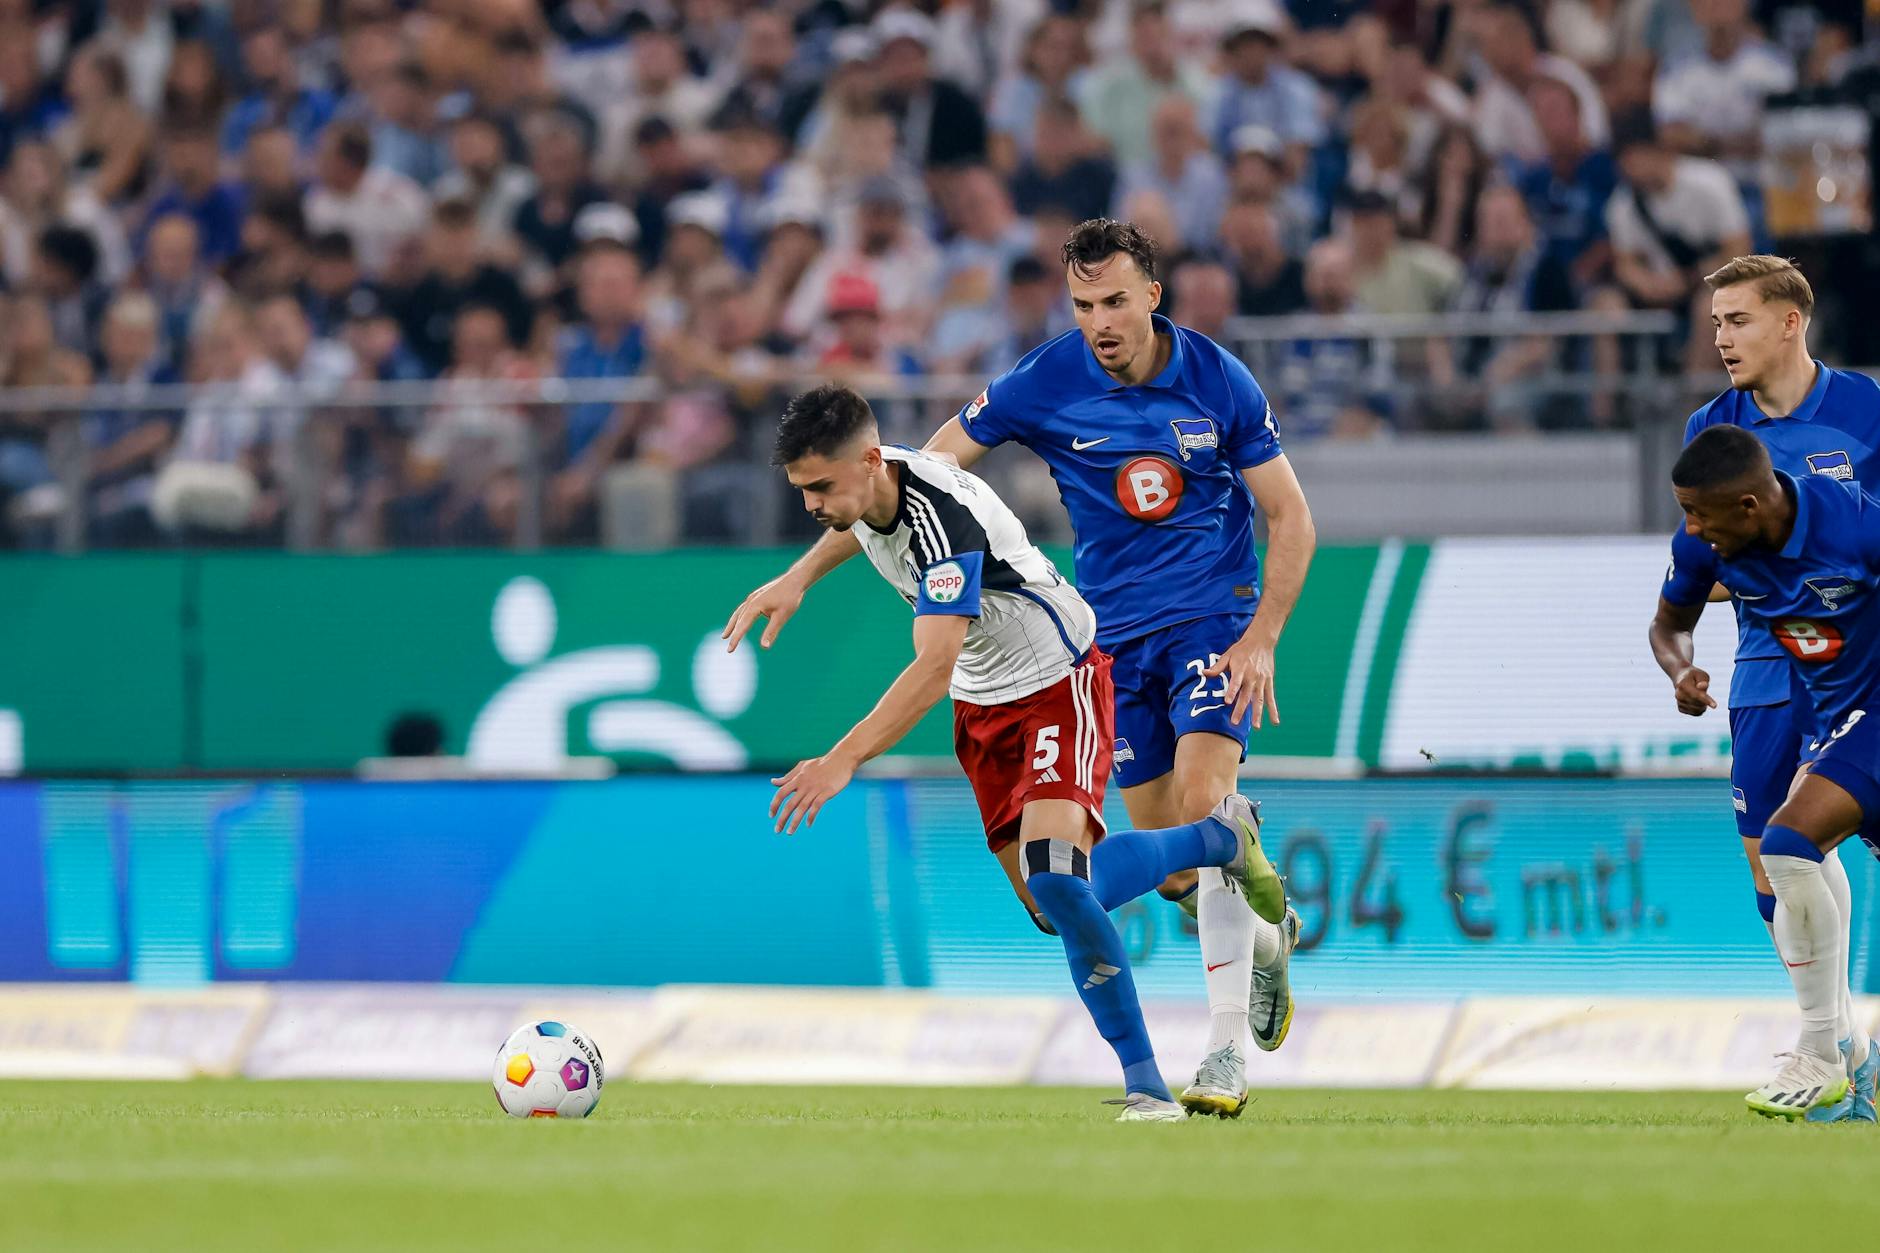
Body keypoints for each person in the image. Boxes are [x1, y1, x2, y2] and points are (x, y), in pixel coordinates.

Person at [727, 219, 1316, 1117]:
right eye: (1084, 305)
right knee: (1160, 875)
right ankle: (1257, 924)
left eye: (1116, 301)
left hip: (1207, 619)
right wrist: (803, 571)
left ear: (1153, 295)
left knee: (1196, 804)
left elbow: (1291, 515)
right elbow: (911, 477)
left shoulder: (1220, 382)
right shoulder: (1045, 378)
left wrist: (1263, 634)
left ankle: (1224, 1051)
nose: (1100, 321)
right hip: (1113, 634)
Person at [1647, 256, 1880, 1122]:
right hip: (1769, 655)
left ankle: (1830, 1047)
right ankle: (1840, 1042)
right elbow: (1698, 564)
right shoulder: (1716, 426)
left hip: (1857, 645)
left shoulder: (1865, 412)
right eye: (1715, 324)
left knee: (1802, 837)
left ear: (1791, 322)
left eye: (1737, 320)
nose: (1721, 338)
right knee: (1774, 861)